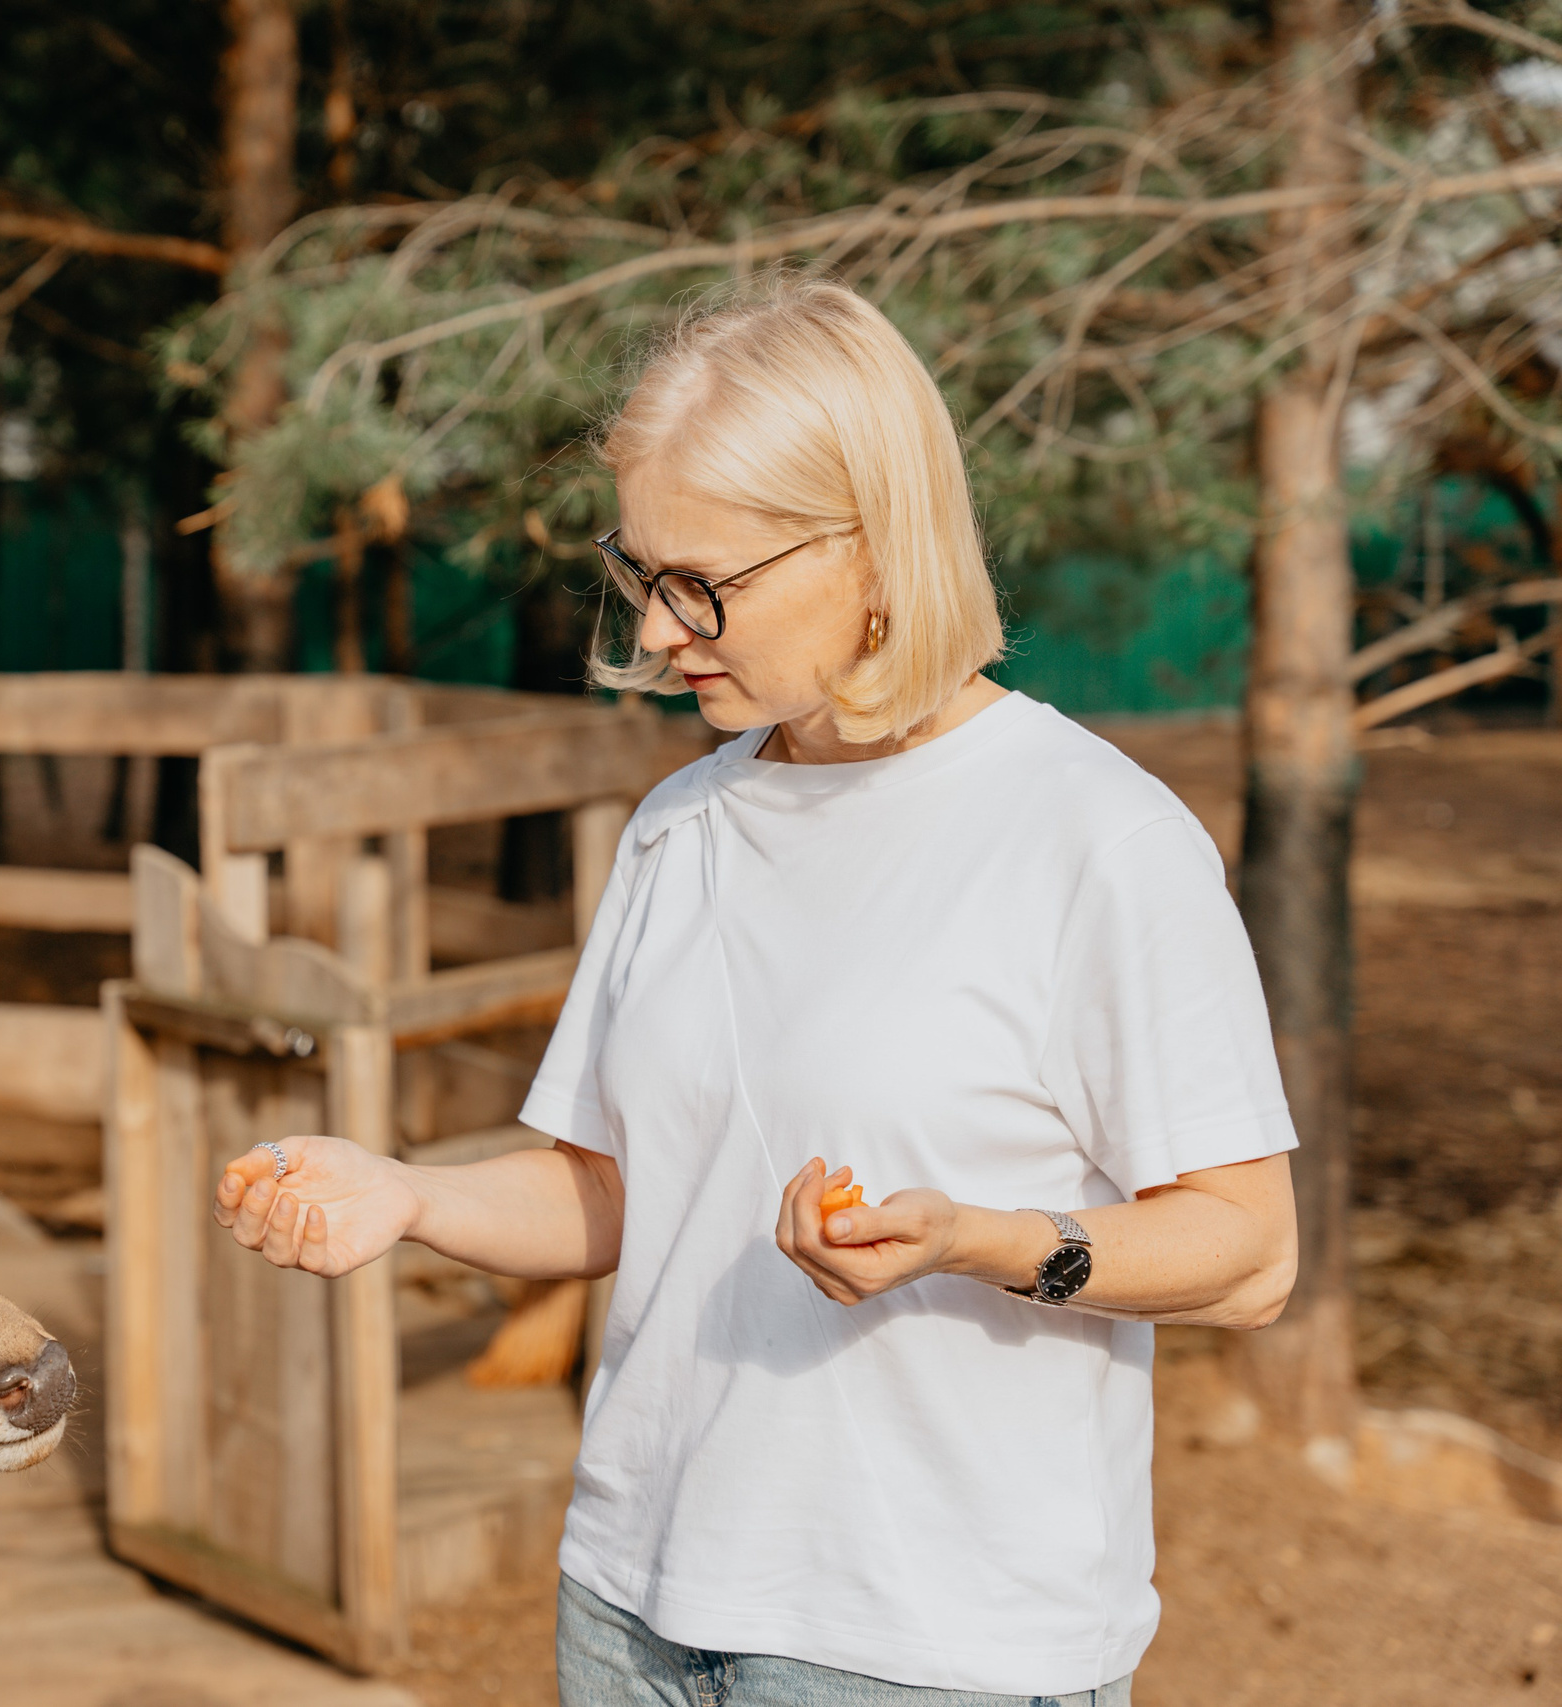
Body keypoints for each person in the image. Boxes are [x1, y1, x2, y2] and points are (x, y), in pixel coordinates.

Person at [209, 274, 1298, 1707]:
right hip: (631, 1611)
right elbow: (615, 1189)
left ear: (871, 549)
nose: (661, 632)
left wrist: (977, 1240)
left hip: (928, 1656)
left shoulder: (1098, 838)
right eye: (640, 573)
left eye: (701, 584)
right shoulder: (682, 825)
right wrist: (406, 1195)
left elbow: (1250, 1252)